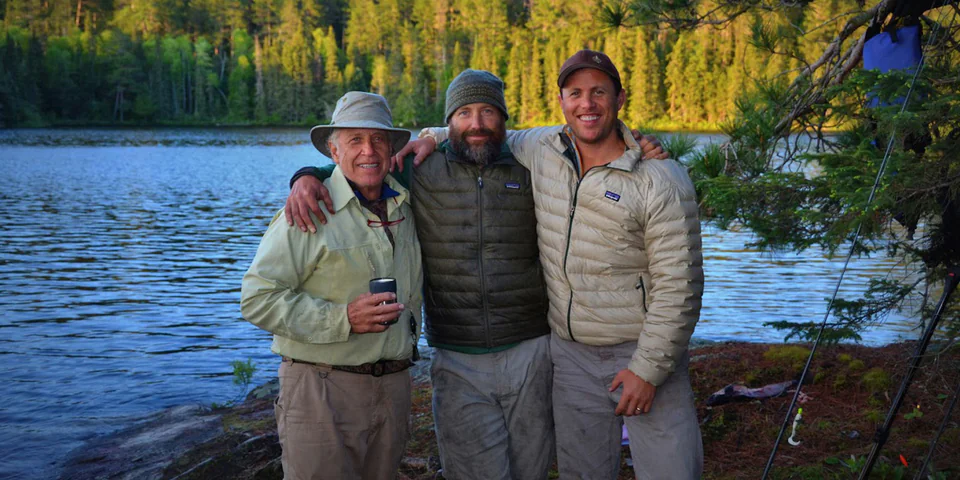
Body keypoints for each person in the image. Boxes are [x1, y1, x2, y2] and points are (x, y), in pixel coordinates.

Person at [407, 50, 705, 479]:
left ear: (620, 99)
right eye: (576, 93)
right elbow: (474, 131)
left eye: (599, 92)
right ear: (562, 101)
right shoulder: (542, 149)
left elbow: (681, 285)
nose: (587, 103)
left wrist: (648, 369)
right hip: (570, 357)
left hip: (641, 351)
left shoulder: (661, 178)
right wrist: (431, 136)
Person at [286, 70, 556, 480]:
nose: (477, 124)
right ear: (450, 121)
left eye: (487, 112)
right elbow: (359, 168)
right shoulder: (418, 168)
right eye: (464, 112)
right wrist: (307, 176)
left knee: (531, 470)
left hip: (531, 348)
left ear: (504, 118)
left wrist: (639, 142)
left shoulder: (532, 165)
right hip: (457, 353)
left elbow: (586, 147)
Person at [240, 91, 423, 480]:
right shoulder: (307, 209)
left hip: (393, 387)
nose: (368, 151)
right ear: (333, 151)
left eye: (378, 139)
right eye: (354, 140)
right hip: (321, 388)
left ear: (392, 148)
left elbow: (471, 132)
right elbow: (257, 298)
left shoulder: (405, 204)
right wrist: (342, 318)